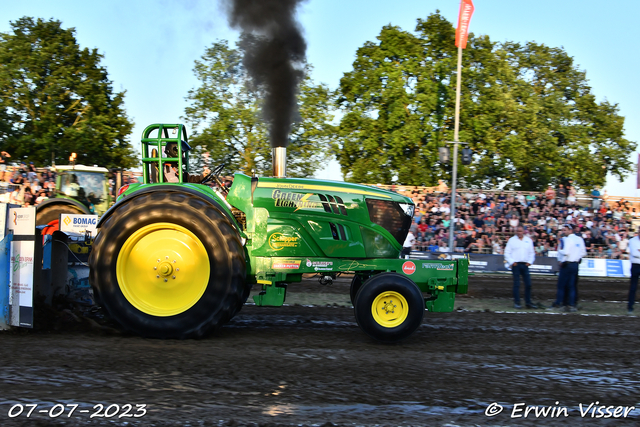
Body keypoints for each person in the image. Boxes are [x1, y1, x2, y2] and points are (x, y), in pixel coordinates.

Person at [554, 224, 587, 312]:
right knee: (572, 286)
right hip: (575, 264)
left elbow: (566, 252)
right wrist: (577, 257)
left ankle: (560, 303)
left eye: (565, 230)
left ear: (570, 230)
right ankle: (572, 304)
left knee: (562, 285)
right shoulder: (579, 239)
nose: (563, 232)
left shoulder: (567, 239)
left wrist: (560, 252)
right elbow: (583, 252)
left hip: (567, 264)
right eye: (563, 230)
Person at [504, 226, 537, 309]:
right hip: (516, 265)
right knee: (517, 284)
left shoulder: (528, 240)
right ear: (515, 231)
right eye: (517, 231)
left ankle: (528, 302)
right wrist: (512, 262)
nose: (519, 232)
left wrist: (530, 262)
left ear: (523, 231)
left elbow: (532, 253)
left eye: (520, 231)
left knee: (528, 284)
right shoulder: (512, 240)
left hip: (525, 265)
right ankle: (517, 302)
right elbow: (507, 253)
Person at [627, 228, 640, 315]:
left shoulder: (633, 241)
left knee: (633, 287)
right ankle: (630, 307)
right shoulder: (632, 240)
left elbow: (637, 253)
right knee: (633, 287)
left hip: (636, 263)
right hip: (635, 265)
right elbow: (634, 253)